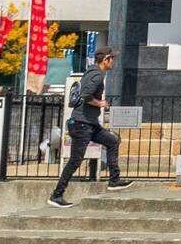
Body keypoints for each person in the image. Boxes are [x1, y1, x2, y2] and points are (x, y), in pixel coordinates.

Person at [49, 50, 132, 208]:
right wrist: (100, 103)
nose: (113, 62)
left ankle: (114, 181)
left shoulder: (91, 72)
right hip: (82, 124)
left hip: (89, 123)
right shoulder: (98, 75)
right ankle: (56, 195)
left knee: (112, 141)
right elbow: (86, 95)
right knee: (75, 161)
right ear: (106, 60)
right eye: (112, 59)